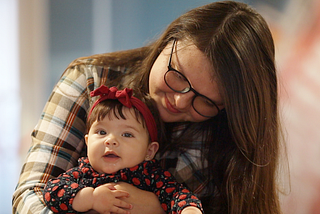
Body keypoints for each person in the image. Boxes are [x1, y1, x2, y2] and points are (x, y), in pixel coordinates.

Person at [13, 1, 283, 213]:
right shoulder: (90, 80)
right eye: (177, 77)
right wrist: (89, 200)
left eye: (206, 101)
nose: (179, 101)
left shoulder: (225, 132)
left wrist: (158, 206)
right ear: (167, 42)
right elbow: (30, 197)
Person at [43, 85, 203, 214]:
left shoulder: (153, 176)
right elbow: (52, 190)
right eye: (101, 132)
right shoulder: (83, 173)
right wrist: (91, 198)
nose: (111, 140)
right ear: (87, 142)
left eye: (127, 134)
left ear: (149, 151)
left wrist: (189, 209)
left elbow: (178, 195)